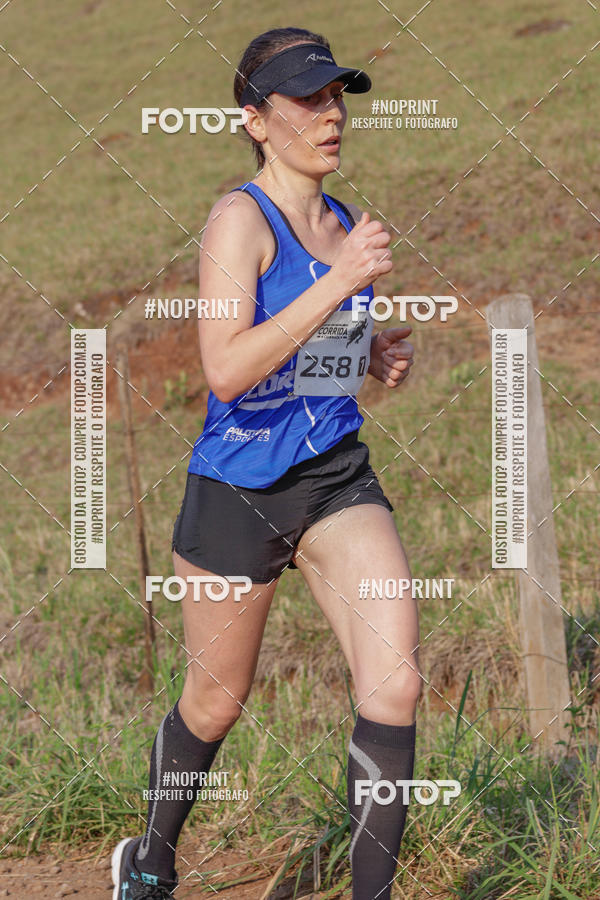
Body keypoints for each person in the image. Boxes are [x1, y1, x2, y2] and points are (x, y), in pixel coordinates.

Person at [112, 26, 421, 900]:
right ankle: (149, 863)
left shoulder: (344, 223)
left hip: (333, 477)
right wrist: (339, 282)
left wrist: (369, 356)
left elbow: (311, 353)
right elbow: (227, 367)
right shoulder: (236, 221)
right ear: (255, 119)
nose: (331, 117)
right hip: (238, 491)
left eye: (337, 97)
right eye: (307, 100)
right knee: (216, 703)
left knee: (394, 682)